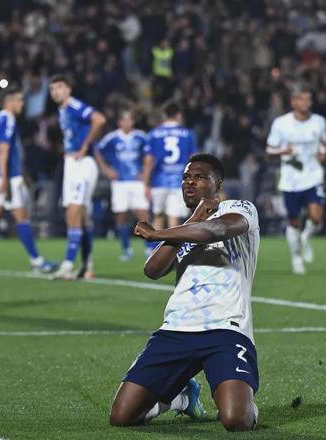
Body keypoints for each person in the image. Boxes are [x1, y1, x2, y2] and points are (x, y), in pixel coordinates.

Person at [110, 154, 260, 432]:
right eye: (186, 177)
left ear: (218, 184)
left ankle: (244, 402)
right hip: (176, 329)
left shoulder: (239, 208)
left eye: (200, 177)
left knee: (236, 420)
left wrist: (158, 233)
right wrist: (191, 220)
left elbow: (218, 229)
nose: (190, 182)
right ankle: (181, 398)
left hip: (226, 328)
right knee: (122, 416)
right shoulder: (185, 228)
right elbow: (153, 270)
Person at [0, 86, 58, 274]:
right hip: (7, 177)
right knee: (21, 218)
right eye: (19, 100)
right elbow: (4, 150)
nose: (22, 104)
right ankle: (37, 261)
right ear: (9, 101)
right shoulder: (8, 119)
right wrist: (6, 178)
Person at [48, 74, 106, 280]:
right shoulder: (62, 109)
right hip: (72, 163)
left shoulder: (74, 105)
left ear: (68, 89)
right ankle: (87, 265)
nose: (55, 92)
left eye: (59, 87)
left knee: (74, 211)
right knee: (79, 216)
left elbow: (99, 119)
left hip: (83, 164)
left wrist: (85, 146)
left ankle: (67, 265)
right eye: (52, 89)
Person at [266, 85, 326, 275]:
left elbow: (323, 143)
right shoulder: (281, 123)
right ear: (293, 101)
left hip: (313, 176)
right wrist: (282, 151)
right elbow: (269, 151)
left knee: (316, 217)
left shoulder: (319, 121)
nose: (306, 103)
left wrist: (323, 153)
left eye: (309, 99)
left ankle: (306, 237)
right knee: (294, 221)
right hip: (290, 179)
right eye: (302, 99)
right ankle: (296, 257)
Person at [95, 110, 150, 261]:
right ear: (119, 122)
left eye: (129, 119)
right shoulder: (112, 138)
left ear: (133, 121)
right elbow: (97, 150)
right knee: (121, 215)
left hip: (137, 181)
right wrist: (106, 169)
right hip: (119, 182)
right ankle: (126, 249)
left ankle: (149, 247)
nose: (127, 122)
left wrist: (145, 173)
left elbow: (149, 155)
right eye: (124, 120)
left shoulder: (141, 136)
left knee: (143, 213)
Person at [142, 101, 197, 249]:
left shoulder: (154, 134)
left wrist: (145, 183)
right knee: (174, 217)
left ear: (164, 115)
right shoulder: (187, 133)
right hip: (179, 181)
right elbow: (193, 159)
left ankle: (153, 251)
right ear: (178, 115)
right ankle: (172, 253)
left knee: (158, 215)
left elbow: (149, 160)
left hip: (158, 180)